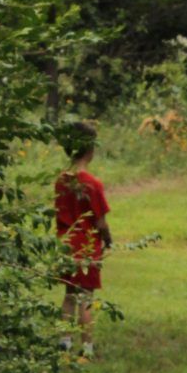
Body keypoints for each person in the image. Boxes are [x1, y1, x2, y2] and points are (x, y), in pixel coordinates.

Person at [54, 123, 110, 355]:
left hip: (66, 245)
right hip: (86, 246)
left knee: (69, 295)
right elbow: (100, 222)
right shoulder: (92, 183)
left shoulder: (61, 180)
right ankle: (86, 347)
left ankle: (64, 342)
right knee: (85, 298)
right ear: (90, 150)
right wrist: (108, 239)